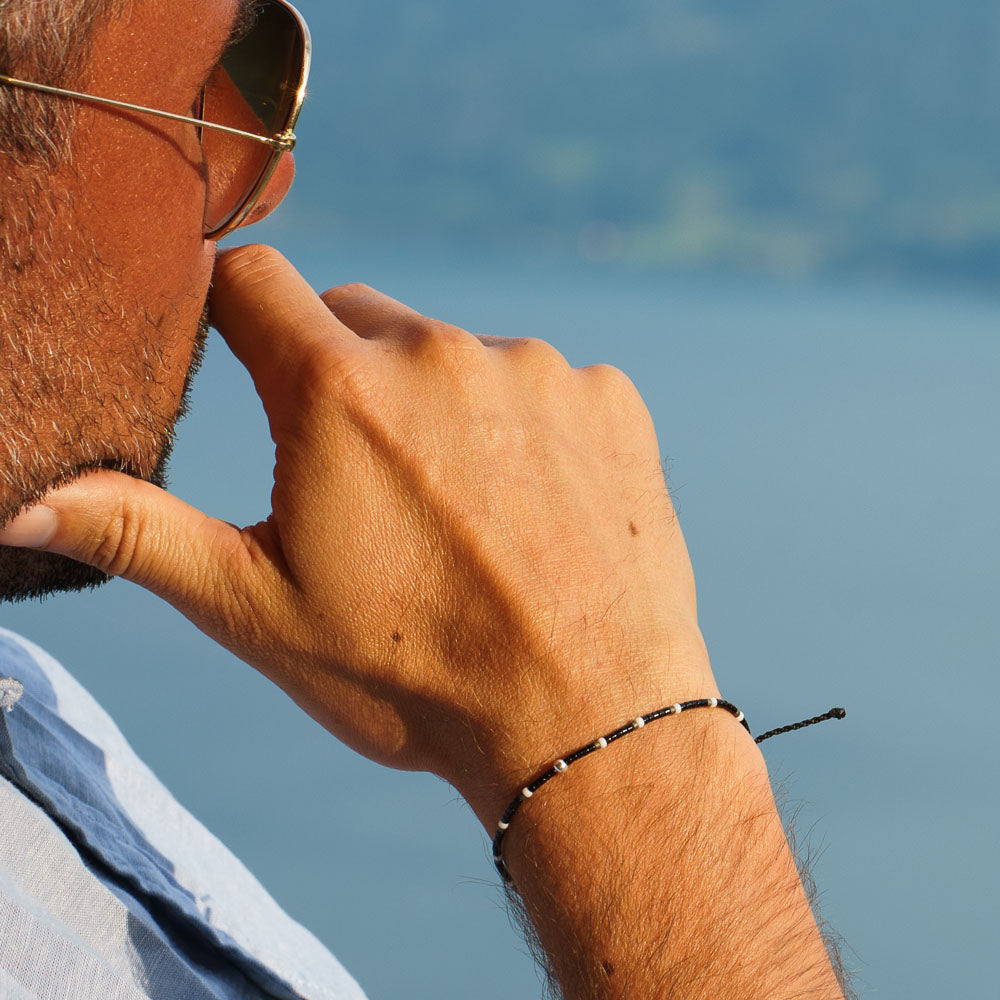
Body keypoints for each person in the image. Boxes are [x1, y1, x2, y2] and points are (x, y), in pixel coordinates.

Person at [0, 0, 852, 997]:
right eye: (206, 89)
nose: (267, 177)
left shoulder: (42, 713)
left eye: (263, 71)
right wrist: (628, 775)